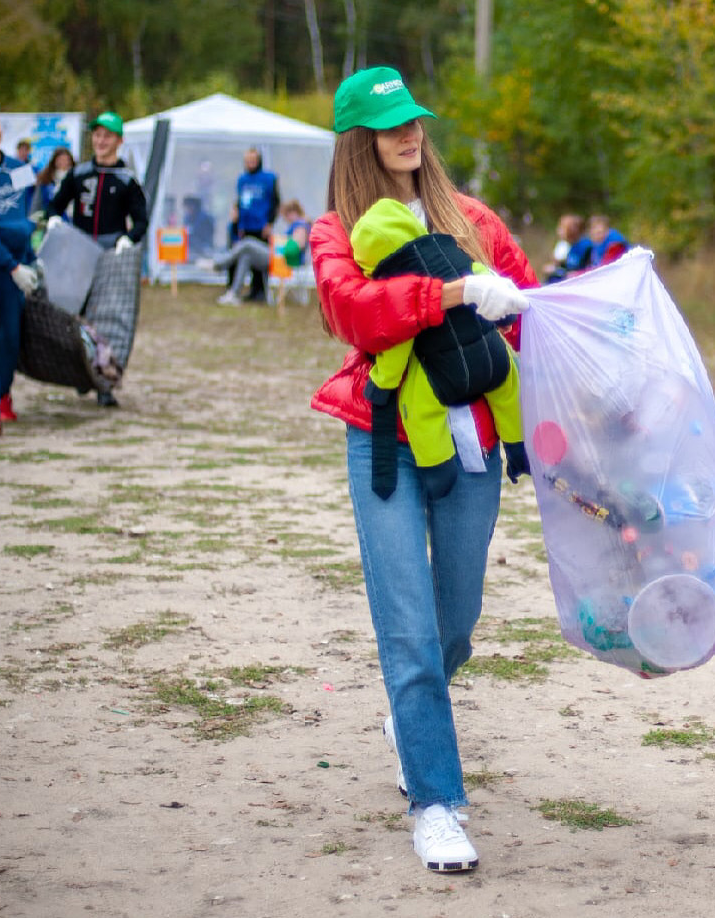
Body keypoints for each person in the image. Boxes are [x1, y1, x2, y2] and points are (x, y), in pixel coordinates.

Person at [310, 66, 535, 874]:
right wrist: (449, 294)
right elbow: (354, 312)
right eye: (390, 124)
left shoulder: (473, 219)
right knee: (407, 632)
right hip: (385, 446)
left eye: (414, 120)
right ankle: (436, 804)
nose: (410, 133)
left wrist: (588, 314)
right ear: (358, 141)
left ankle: (411, 717)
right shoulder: (334, 232)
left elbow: (530, 307)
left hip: (473, 442)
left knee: (455, 624)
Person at [349, 196, 529, 500]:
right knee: (509, 390)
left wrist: (384, 382)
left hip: (440, 371)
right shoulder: (449, 250)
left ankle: (438, 469)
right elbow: (484, 275)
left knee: (419, 410)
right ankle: (519, 448)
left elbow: (398, 341)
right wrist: (507, 312)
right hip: (490, 354)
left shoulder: (396, 285)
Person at [46, 111, 148, 406]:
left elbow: (141, 220)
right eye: (97, 135)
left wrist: (129, 239)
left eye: (107, 135)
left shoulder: (127, 179)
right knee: (73, 316)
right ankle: (79, 374)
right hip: (78, 252)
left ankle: (105, 383)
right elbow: (55, 206)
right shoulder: (78, 175)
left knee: (108, 320)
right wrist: (54, 221)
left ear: (118, 140)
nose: (101, 141)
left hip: (109, 256)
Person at [0, 99, 40, 435]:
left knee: (11, 334)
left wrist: (31, 261)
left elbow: (24, 216)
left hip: (14, 265)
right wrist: (10, 265)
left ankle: (3, 396)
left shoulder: (19, 168)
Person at [205, 197, 308, 306]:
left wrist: (280, 242)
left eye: (286, 215)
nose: (285, 219)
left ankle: (218, 264)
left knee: (248, 243)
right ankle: (234, 294)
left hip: (282, 260)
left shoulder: (300, 225)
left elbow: (297, 246)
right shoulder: (298, 225)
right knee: (246, 256)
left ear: (293, 212)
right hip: (279, 257)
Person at [230, 147, 279, 303]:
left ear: (258, 160)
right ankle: (252, 291)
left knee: (260, 261)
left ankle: (261, 291)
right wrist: (237, 221)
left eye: (253, 160)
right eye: (248, 160)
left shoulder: (268, 179)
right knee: (247, 259)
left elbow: (275, 202)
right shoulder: (242, 180)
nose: (250, 163)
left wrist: (270, 223)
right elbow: (240, 201)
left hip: (262, 226)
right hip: (247, 225)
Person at [543, 213, 591, 283]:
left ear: (572, 230)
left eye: (562, 228)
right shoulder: (571, 245)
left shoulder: (586, 246)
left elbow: (581, 269)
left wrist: (556, 270)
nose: (558, 231)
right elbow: (567, 266)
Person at [30, 146, 75, 221]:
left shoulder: (76, 179)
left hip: (72, 221)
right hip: (51, 221)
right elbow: (36, 203)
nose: (63, 162)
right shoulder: (45, 180)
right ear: (54, 161)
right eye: (60, 159)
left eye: (66, 160)